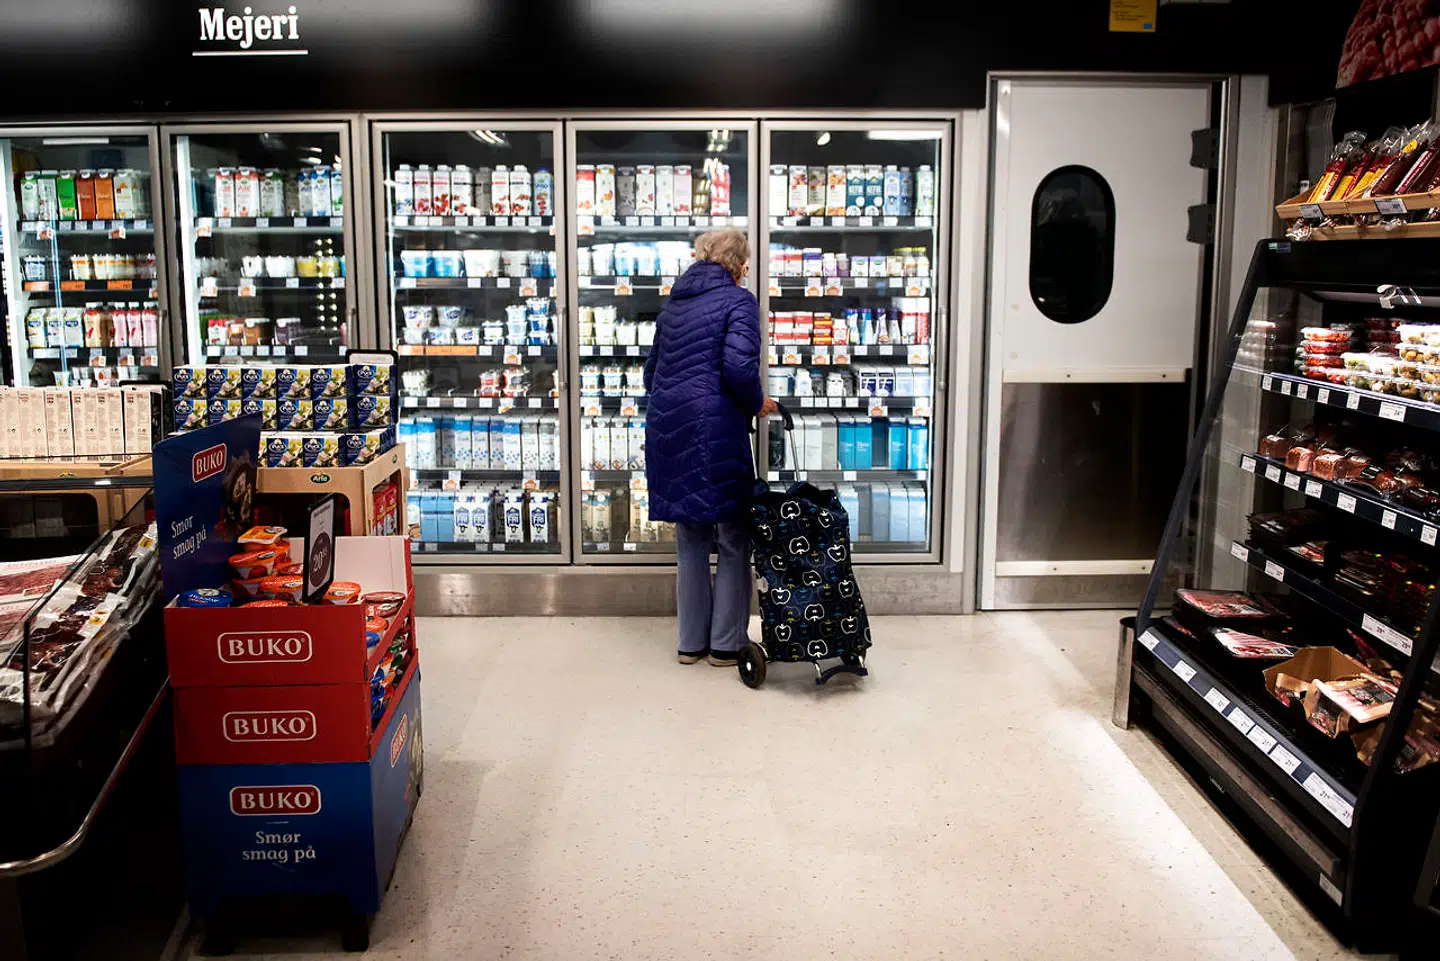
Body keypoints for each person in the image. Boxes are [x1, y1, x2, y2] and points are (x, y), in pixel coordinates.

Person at [643, 229, 778, 666]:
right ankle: (725, 644)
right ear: (738, 264)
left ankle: (690, 643)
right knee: (735, 535)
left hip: (670, 428)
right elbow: (739, 368)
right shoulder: (739, 302)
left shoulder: (674, 306)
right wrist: (757, 402)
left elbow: (651, 374)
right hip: (716, 428)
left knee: (691, 537)